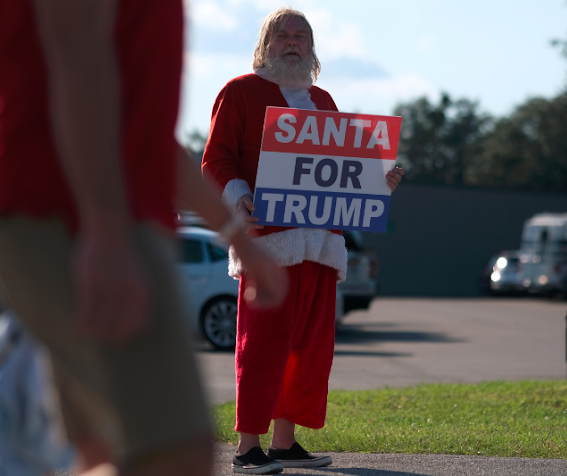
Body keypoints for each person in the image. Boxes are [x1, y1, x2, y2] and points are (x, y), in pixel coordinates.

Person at [0, 1, 286, 475]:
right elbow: (77, 55)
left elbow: (148, 131)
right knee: (176, 455)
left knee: (99, 452)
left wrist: (237, 234)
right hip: (63, 209)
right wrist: (106, 230)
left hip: (68, 210)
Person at [201, 7, 405, 474]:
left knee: (308, 348)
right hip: (267, 243)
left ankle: (284, 443)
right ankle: (247, 448)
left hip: (321, 246)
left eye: (302, 36)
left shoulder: (324, 100)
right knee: (263, 345)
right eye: (283, 36)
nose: (293, 43)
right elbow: (216, 160)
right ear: (265, 45)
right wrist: (240, 196)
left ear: (311, 48)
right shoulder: (240, 93)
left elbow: (338, 171)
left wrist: (377, 185)